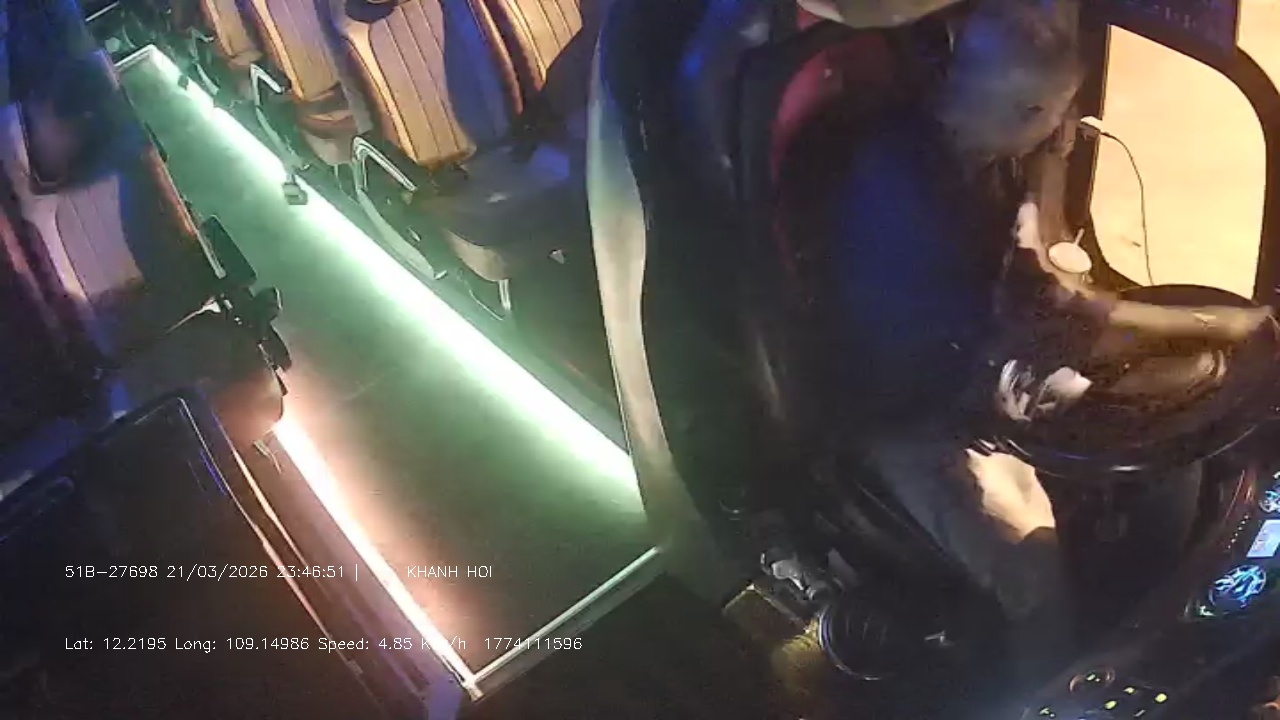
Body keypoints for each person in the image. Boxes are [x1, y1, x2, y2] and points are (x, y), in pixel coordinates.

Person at [796, 0, 1272, 687]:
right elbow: (1023, 325)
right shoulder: (906, 195)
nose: (1065, 128)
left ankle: (1119, 606)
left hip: (967, 370)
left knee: (1152, 447)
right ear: (1029, 111)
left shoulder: (969, 153)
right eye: (1058, 112)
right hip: (909, 416)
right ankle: (1042, 692)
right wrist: (1206, 328)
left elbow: (1038, 288)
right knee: (1034, 574)